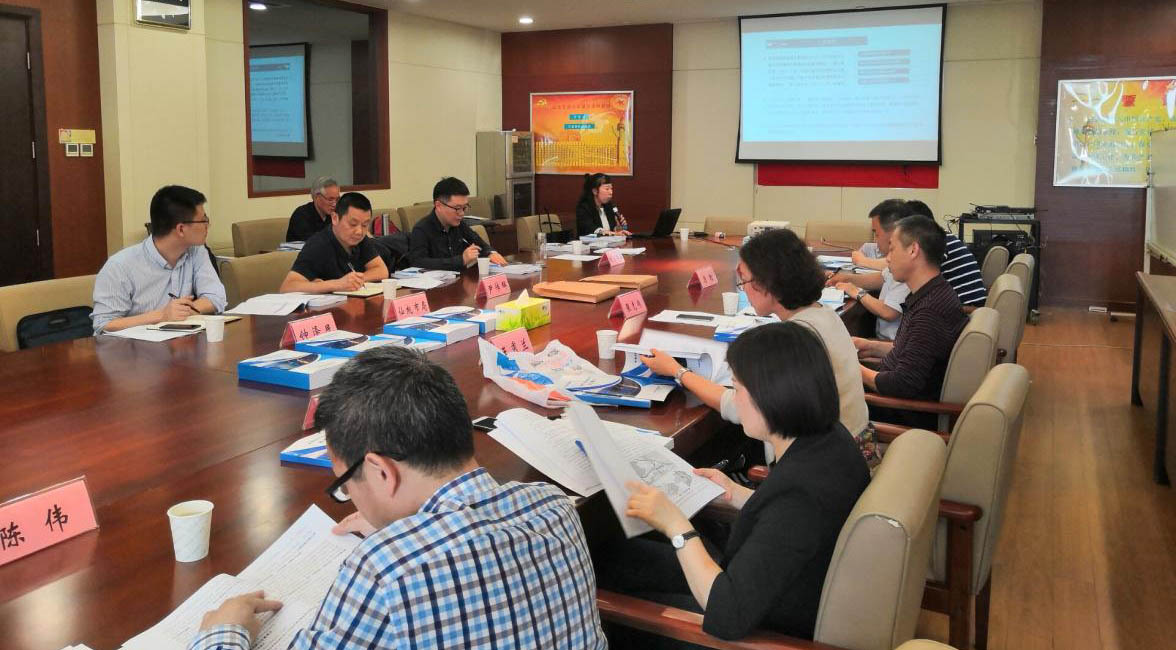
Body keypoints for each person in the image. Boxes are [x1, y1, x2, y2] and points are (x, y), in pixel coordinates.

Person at [190, 347, 608, 650]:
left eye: (345, 485)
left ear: (381, 472)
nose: (351, 497)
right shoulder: (553, 506)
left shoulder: (385, 569)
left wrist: (223, 633)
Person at [598, 322, 870, 644]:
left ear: (771, 397)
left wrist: (676, 527)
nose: (734, 399)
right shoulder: (830, 441)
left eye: (737, 388)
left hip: (758, 631)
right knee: (612, 557)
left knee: (605, 597)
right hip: (766, 585)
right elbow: (793, 531)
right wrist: (740, 495)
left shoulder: (800, 495)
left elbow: (727, 614)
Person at [641, 228, 870, 453]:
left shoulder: (794, 340)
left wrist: (677, 371)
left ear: (767, 283)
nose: (743, 289)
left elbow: (738, 408)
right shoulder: (825, 313)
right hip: (852, 449)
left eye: (744, 280)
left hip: (821, 463)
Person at [856, 215, 968, 422]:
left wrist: (850, 367)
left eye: (892, 249)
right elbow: (915, 351)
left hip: (900, 411)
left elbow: (902, 384)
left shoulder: (930, 311)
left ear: (913, 250)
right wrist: (870, 346)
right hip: (892, 391)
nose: (888, 258)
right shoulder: (933, 292)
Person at [91, 185, 226, 334]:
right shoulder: (120, 266)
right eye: (203, 220)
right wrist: (162, 315)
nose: (208, 225)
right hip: (135, 346)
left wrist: (183, 311)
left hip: (180, 343)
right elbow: (104, 324)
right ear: (181, 229)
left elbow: (216, 297)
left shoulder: (196, 251)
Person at [279, 191, 389, 294]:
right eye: (353, 224)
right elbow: (287, 287)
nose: (359, 231)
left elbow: (381, 270)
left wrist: (355, 280)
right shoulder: (318, 245)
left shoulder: (360, 239)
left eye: (365, 225)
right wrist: (337, 284)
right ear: (335, 218)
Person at [835, 199, 911, 340]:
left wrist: (857, 292)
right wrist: (845, 278)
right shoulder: (898, 260)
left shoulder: (906, 266)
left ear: (894, 233)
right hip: (887, 340)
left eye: (876, 233)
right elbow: (880, 278)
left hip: (892, 343)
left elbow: (889, 312)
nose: (875, 240)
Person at [408, 177, 508, 271]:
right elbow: (418, 262)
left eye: (464, 208)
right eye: (457, 208)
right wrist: (461, 260)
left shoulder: (459, 224)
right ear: (438, 206)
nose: (461, 213)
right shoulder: (421, 229)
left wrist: (491, 253)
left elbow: (479, 242)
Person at [905, 200, 987, 308]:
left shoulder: (935, 240)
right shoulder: (941, 236)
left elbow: (922, 273)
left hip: (966, 307)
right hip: (969, 302)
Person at [285, 176, 340, 242]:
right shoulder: (301, 215)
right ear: (317, 197)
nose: (335, 204)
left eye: (337, 199)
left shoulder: (335, 214)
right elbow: (312, 243)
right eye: (330, 199)